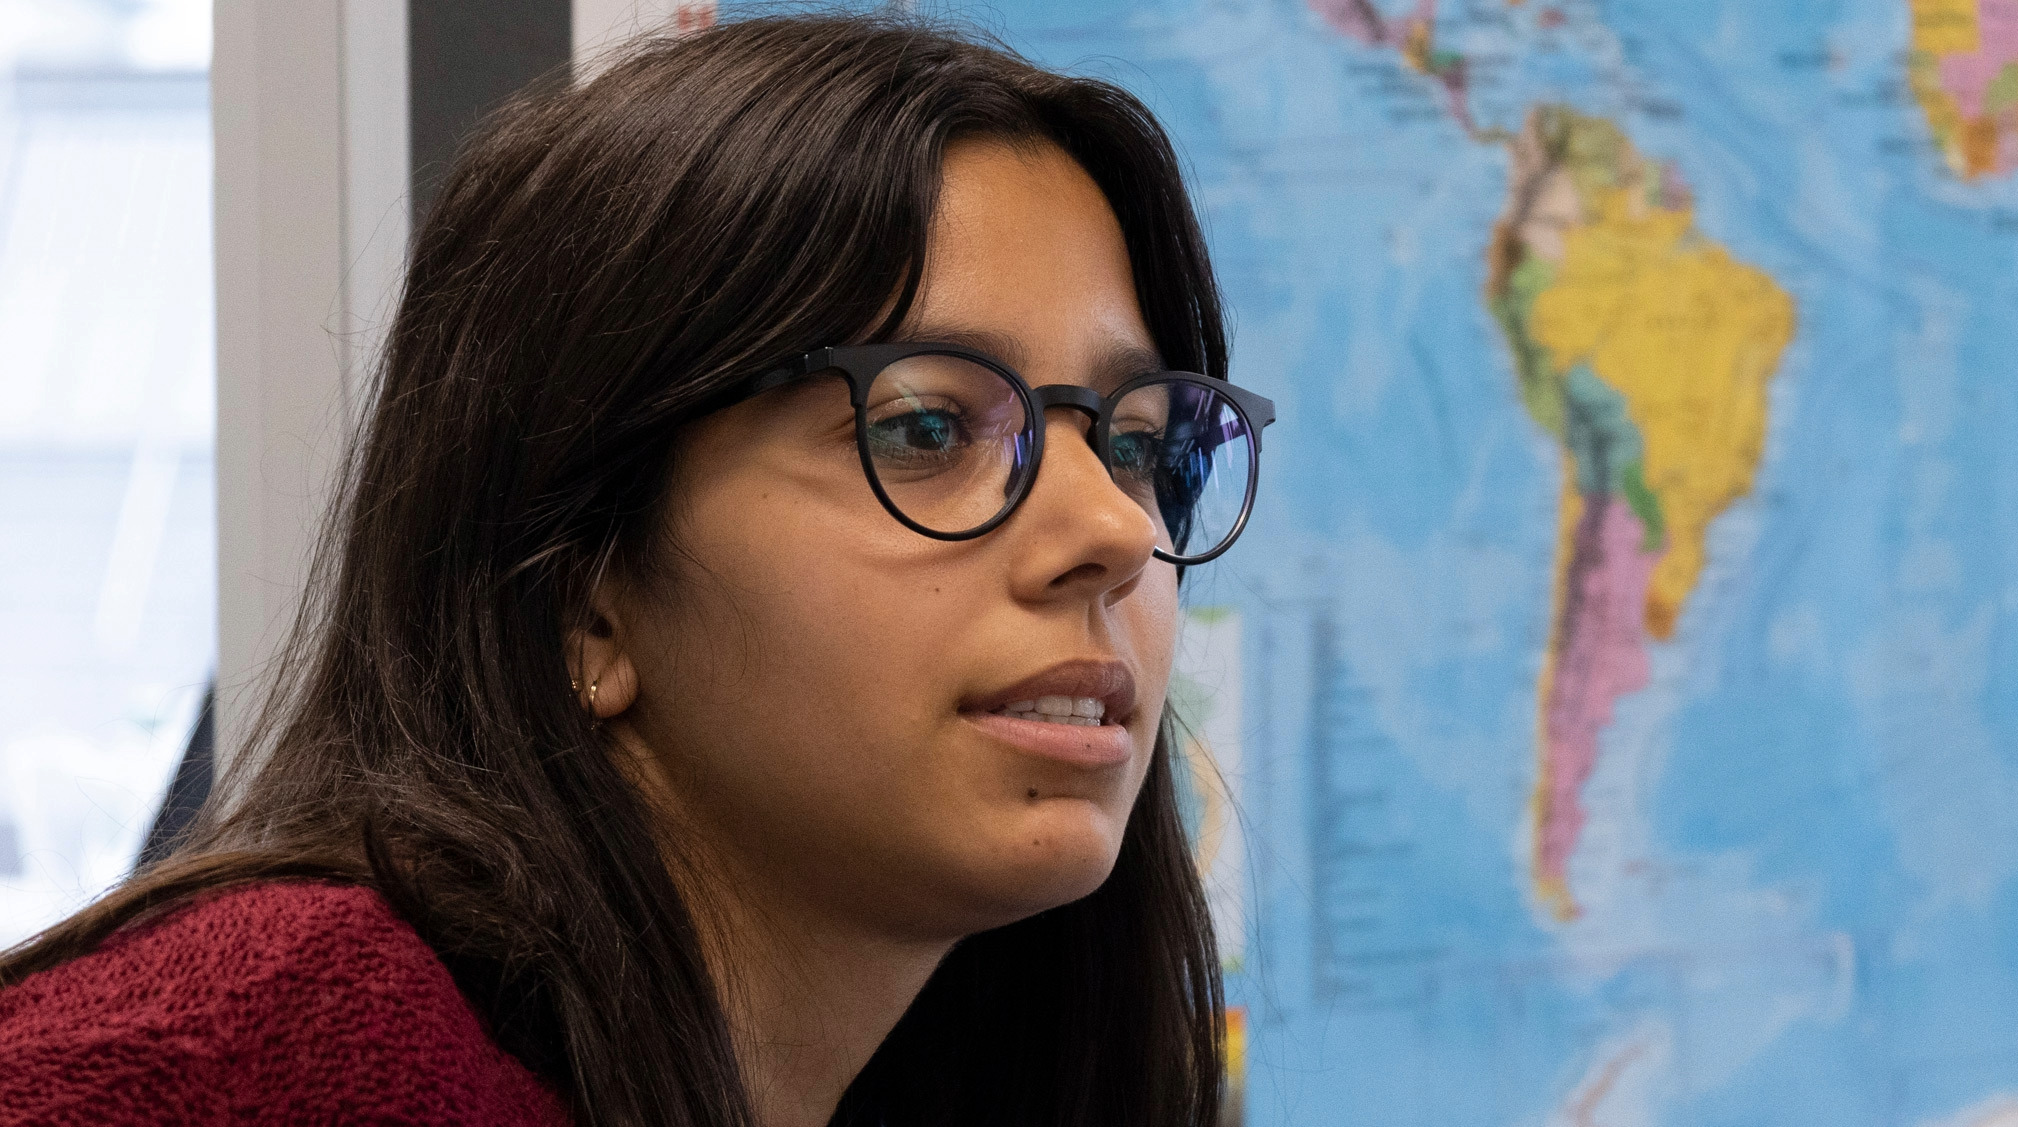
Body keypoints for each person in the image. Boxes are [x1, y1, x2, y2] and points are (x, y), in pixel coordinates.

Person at [0, 14, 1271, 1126]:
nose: (1111, 529)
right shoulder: (228, 1065)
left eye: (1140, 446)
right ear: (584, 592)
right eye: (925, 429)